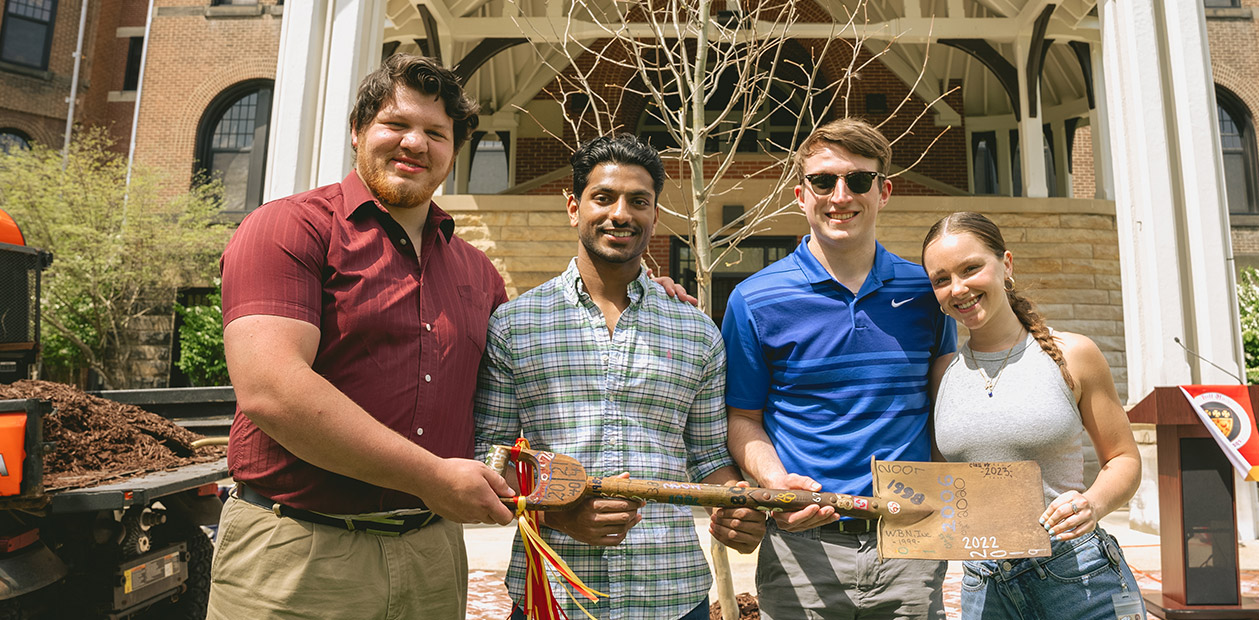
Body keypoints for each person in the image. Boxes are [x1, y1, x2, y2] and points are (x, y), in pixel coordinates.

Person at [210, 54, 515, 620]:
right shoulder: (290, 227)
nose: (415, 144)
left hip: (431, 554)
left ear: (453, 150)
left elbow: (521, 386)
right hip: (297, 554)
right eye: (396, 124)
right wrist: (433, 477)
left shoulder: (479, 273)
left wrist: (630, 289)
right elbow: (272, 390)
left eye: (435, 133)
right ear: (358, 130)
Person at [475, 134, 767, 620]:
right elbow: (490, 454)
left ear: (655, 214)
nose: (621, 213)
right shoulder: (514, 324)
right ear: (574, 206)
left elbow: (709, 453)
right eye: (603, 197)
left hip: (671, 593)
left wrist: (735, 504)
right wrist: (559, 514)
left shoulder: (696, 331)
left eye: (638, 201)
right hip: (552, 595)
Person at [722, 118, 958, 619]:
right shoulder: (754, 299)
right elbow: (742, 417)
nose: (840, 195)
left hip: (909, 541)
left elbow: (945, 410)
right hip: (802, 547)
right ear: (800, 194)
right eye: (824, 181)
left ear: (884, 190)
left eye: (859, 179)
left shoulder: (926, 293)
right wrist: (775, 482)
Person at [921, 211, 1145, 620]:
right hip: (983, 583)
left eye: (971, 268)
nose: (958, 288)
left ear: (1005, 265)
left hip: (1077, 577)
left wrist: (1092, 503)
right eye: (941, 279)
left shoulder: (1072, 355)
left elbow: (1124, 460)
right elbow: (945, 486)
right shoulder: (942, 374)